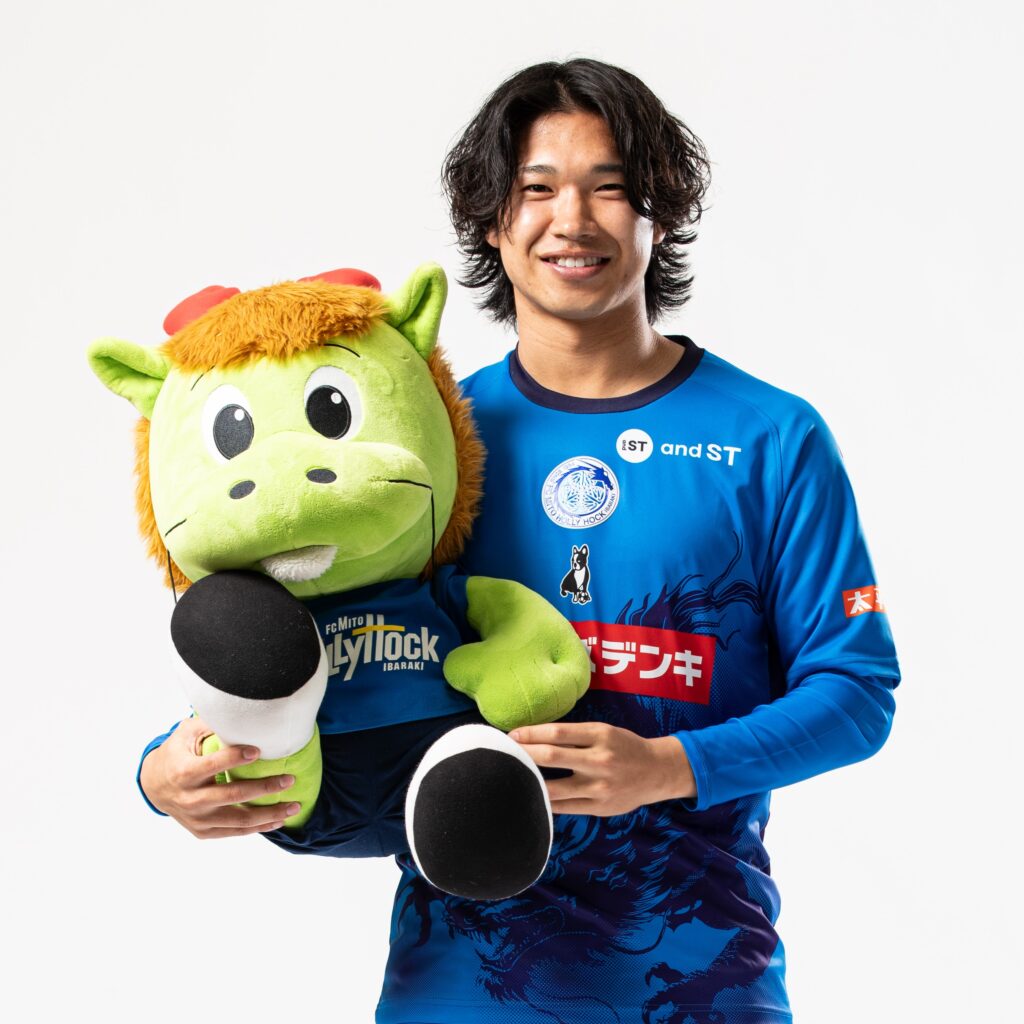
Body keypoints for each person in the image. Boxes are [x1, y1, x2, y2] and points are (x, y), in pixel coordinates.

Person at [140, 59, 899, 1024]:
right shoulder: (426, 450)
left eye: (608, 187)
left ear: (658, 213)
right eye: (536, 189)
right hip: (459, 988)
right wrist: (162, 772)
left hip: (701, 985)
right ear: (493, 222)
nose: (570, 220)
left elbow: (856, 694)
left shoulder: (769, 437)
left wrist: (669, 766)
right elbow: (289, 642)